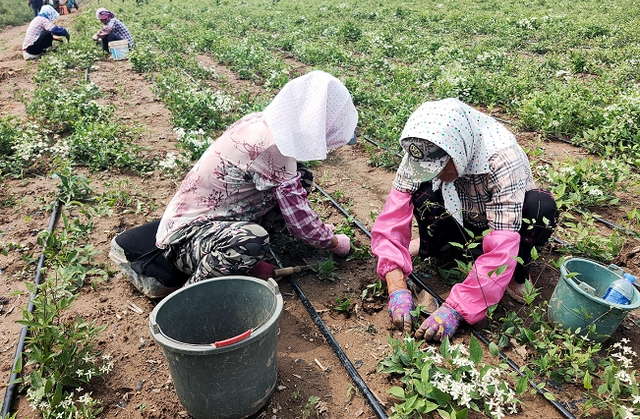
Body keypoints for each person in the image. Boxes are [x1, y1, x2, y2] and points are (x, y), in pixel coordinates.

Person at [110, 70, 359, 298]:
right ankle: (191, 297)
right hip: (184, 239)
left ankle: (235, 259)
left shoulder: (262, 123)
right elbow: (301, 225)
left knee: (300, 178)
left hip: (203, 218)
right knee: (252, 240)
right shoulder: (273, 151)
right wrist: (334, 242)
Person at [371, 98, 557, 341]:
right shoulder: (422, 150)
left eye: (441, 167)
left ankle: (516, 273)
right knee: (423, 192)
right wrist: (396, 286)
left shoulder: (501, 158)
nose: (435, 174)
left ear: (458, 152)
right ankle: (438, 247)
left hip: (500, 226)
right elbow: (391, 220)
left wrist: (457, 309)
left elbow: (502, 246)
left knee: (540, 205)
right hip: (459, 217)